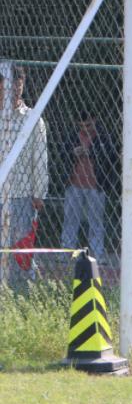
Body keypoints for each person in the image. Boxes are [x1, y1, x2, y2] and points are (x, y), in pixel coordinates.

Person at [0, 62, 48, 285]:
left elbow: (40, 158)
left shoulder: (33, 119)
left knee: (21, 247)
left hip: (22, 194)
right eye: (8, 84)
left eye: (18, 84)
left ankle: (24, 289)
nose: (14, 89)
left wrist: (39, 193)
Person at [60, 111, 116, 261]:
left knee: (96, 221)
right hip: (74, 183)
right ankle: (66, 252)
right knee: (70, 219)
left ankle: (97, 253)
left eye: (89, 125)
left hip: (96, 185)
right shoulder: (73, 136)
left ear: (95, 120)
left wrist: (90, 152)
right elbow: (62, 153)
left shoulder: (103, 137)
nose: (85, 128)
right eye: (82, 126)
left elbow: (110, 156)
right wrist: (73, 152)